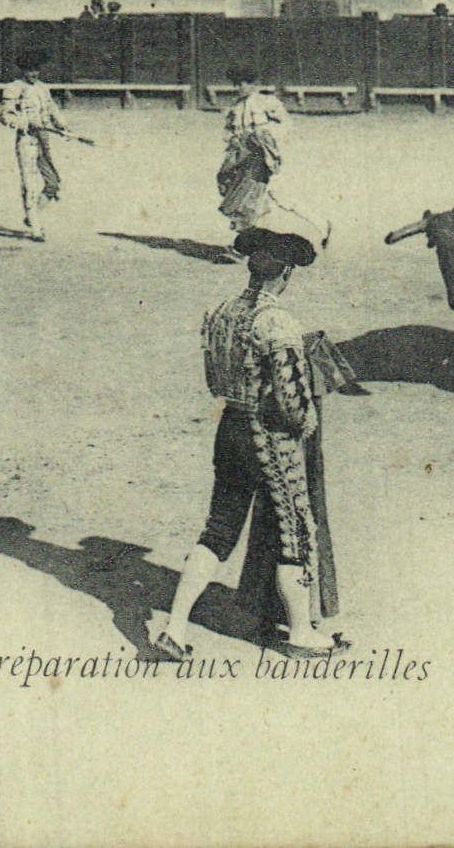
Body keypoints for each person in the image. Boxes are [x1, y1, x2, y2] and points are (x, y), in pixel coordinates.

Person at [155, 208, 348, 661]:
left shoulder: (219, 312)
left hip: (229, 429)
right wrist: (305, 422)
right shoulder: (278, 321)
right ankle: (301, 632)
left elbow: (211, 380)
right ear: (285, 273)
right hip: (269, 437)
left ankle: (175, 626)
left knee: (218, 530)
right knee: (296, 530)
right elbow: (290, 397)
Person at [0, 47, 90, 241]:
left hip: (44, 139)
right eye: (30, 70)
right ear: (22, 70)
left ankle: (32, 217)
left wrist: (64, 127)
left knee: (53, 184)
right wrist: (24, 122)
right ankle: (36, 228)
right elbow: (5, 116)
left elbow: (52, 111)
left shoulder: (42, 88)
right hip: (27, 139)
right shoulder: (14, 88)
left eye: (36, 69)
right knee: (30, 184)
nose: (34, 73)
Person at [215, 62, 289, 234]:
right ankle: (256, 214)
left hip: (260, 154)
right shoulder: (235, 106)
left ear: (253, 84)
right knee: (227, 183)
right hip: (240, 154)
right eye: (237, 84)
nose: (240, 87)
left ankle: (242, 243)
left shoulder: (266, 101)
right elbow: (228, 130)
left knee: (247, 195)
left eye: (244, 83)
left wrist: (267, 137)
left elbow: (285, 123)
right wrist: (232, 138)